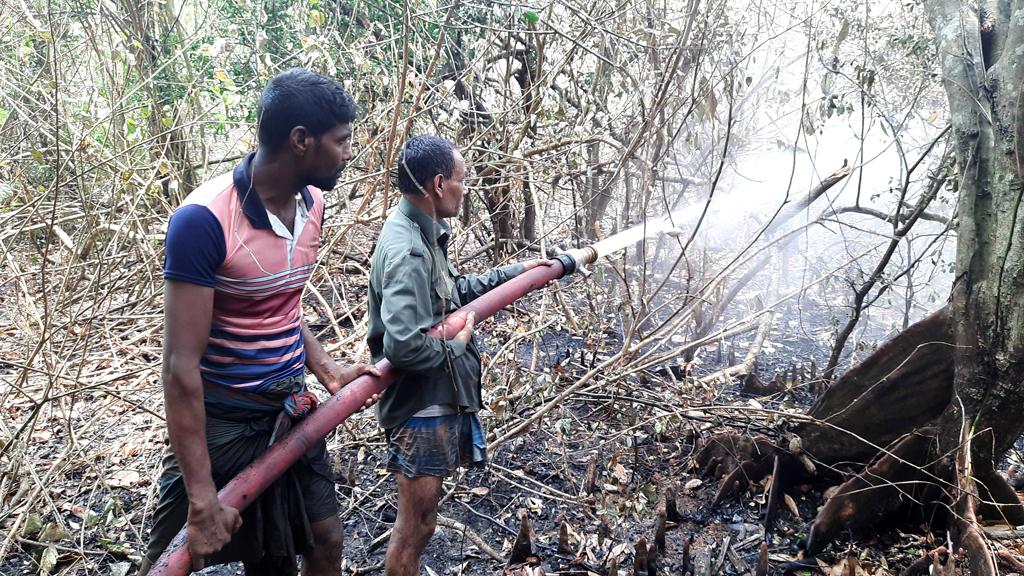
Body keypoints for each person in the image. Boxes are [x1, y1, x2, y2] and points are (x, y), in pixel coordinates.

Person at [140, 68, 379, 576]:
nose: (348, 153)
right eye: (341, 141)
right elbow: (180, 368)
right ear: (300, 141)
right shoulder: (203, 221)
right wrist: (203, 499)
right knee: (167, 562)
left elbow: (282, 305)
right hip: (222, 423)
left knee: (323, 541)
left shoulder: (312, 206)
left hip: (288, 409)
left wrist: (328, 371)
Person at [366, 135, 551, 575]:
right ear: (437, 184)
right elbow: (404, 345)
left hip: (435, 397)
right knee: (415, 527)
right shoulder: (407, 250)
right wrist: (457, 347)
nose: (465, 189)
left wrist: (516, 274)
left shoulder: (423, 233)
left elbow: (451, 295)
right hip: (420, 406)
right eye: (461, 180)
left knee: (421, 525)